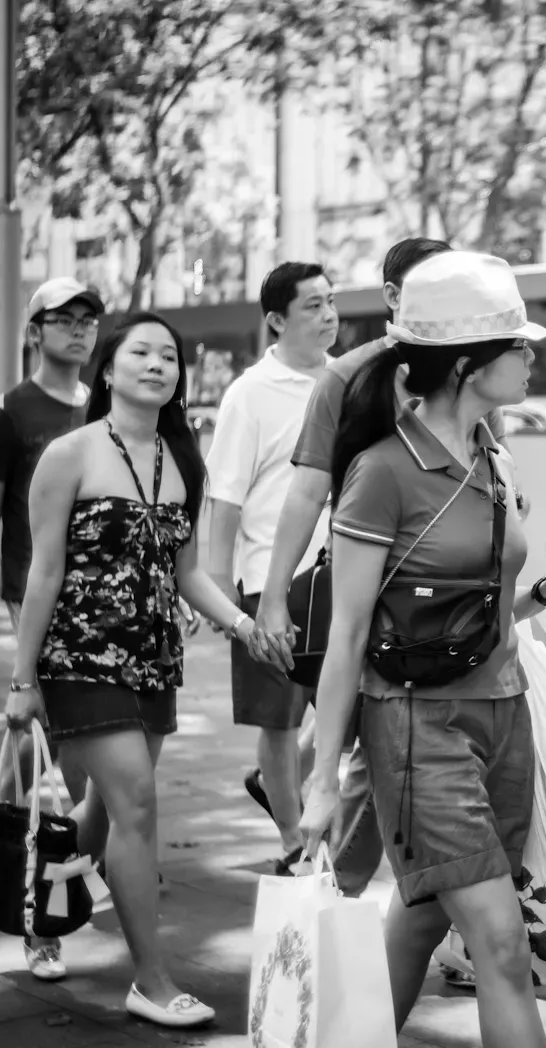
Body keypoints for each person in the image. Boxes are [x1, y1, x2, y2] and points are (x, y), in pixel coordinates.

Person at [297, 251, 546, 1046]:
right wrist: (324, 778)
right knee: (501, 943)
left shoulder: (494, 457)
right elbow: (348, 634)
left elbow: (490, 610)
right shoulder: (382, 472)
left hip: (504, 717)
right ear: (468, 365)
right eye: (519, 347)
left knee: (423, 918)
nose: (534, 357)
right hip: (415, 729)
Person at [6, 313, 271, 1028]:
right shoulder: (70, 453)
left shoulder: (182, 458)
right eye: (141, 353)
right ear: (110, 368)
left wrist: (245, 625)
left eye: (169, 356)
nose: (158, 365)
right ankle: (150, 981)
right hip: (78, 658)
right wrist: (23, 680)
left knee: (105, 811)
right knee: (139, 807)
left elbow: (188, 573)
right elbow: (44, 572)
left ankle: (42, 904)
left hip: (153, 660)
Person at [251, 237, 451, 897]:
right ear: (394, 299)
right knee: (366, 747)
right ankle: (331, 900)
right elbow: (307, 492)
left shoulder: (470, 372)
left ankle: (363, 898)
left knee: (400, 762)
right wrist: (274, 597)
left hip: (450, 609)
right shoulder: (351, 378)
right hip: (367, 596)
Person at [0, 277, 106, 981]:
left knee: (36, 752)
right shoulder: (9, 413)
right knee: (63, 757)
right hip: (32, 598)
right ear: (36, 330)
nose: (78, 330)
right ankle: (41, 914)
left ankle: (22, 872)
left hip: (108, 609)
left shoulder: (108, 404)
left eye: (88, 319)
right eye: (63, 319)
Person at [203, 262, 334, 872]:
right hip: (268, 582)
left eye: (330, 302)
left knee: (345, 707)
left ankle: (286, 790)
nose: (328, 315)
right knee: (278, 720)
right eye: (312, 305)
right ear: (277, 319)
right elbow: (224, 497)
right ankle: (290, 843)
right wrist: (224, 595)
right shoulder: (249, 393)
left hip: (342, 576)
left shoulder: (345, 381)